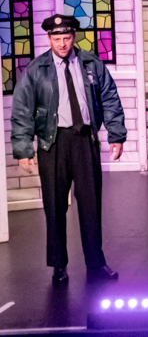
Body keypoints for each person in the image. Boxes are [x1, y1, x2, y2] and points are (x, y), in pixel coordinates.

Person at [10, 15, 126, 284]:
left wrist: (116, 135)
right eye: (56, 38)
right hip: (53, 144)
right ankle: (58, 266)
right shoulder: (37, 69)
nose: (62, 43)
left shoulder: (91, 64)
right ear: (49, 38)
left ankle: (96, 263)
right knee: (54, 205)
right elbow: (22, 110)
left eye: (66, 38)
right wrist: (24, 149)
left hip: (84, 141)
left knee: (90, 205)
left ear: (74, 37)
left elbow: (109, 97)